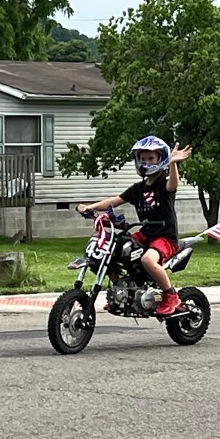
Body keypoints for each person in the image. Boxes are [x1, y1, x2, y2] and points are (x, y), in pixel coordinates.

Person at [76, 135, 192, 316]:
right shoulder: (137, 189)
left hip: (164, 238)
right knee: (112, 250)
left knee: (147, 260)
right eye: (142, 158)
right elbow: (113, 201)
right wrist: (88, 207)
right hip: (145, 235)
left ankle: (171, 295)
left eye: (151, 158)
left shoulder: (163, 185)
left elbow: (173, 185)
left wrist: (173, 163)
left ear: (160, 159)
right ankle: (119, 294)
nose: (146, 162)